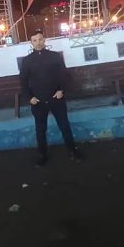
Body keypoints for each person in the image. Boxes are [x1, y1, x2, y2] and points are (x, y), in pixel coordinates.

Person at [19, 30, 83, 167]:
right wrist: (29, 98)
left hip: (56, 98)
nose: (38, 43)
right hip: (38, 101)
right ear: (31, 43)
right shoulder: (27, 60)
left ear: (44, 40)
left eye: (40, 39)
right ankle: (42, 155)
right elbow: (23, 82)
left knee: (64, 126)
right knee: (40, 130)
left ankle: (73, 151)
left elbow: (64, 75)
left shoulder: (54, 56)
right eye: (35, 40)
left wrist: (61, 90)